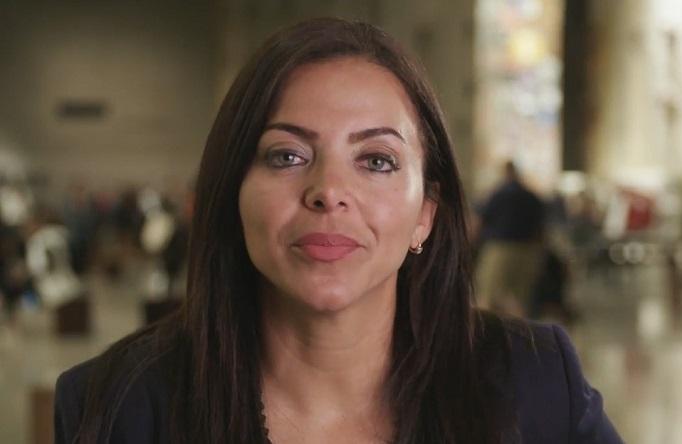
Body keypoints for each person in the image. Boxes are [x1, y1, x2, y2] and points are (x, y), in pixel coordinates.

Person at [54, 18, 622, 443]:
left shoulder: (538, 382)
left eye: (376, 160)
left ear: (425, 213)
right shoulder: (116, 405)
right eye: (287, 156)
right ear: (232, 195)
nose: (329, 190)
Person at [474, 161, 546, 317]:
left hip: (501, 249)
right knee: (520, 298)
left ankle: (485, 336)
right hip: (528, 250)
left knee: (489, 294)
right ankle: (521, 334)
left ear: (505, 173)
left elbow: (479, 222)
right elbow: (541, 228)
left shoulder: (498, 194)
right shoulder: (532, 196)